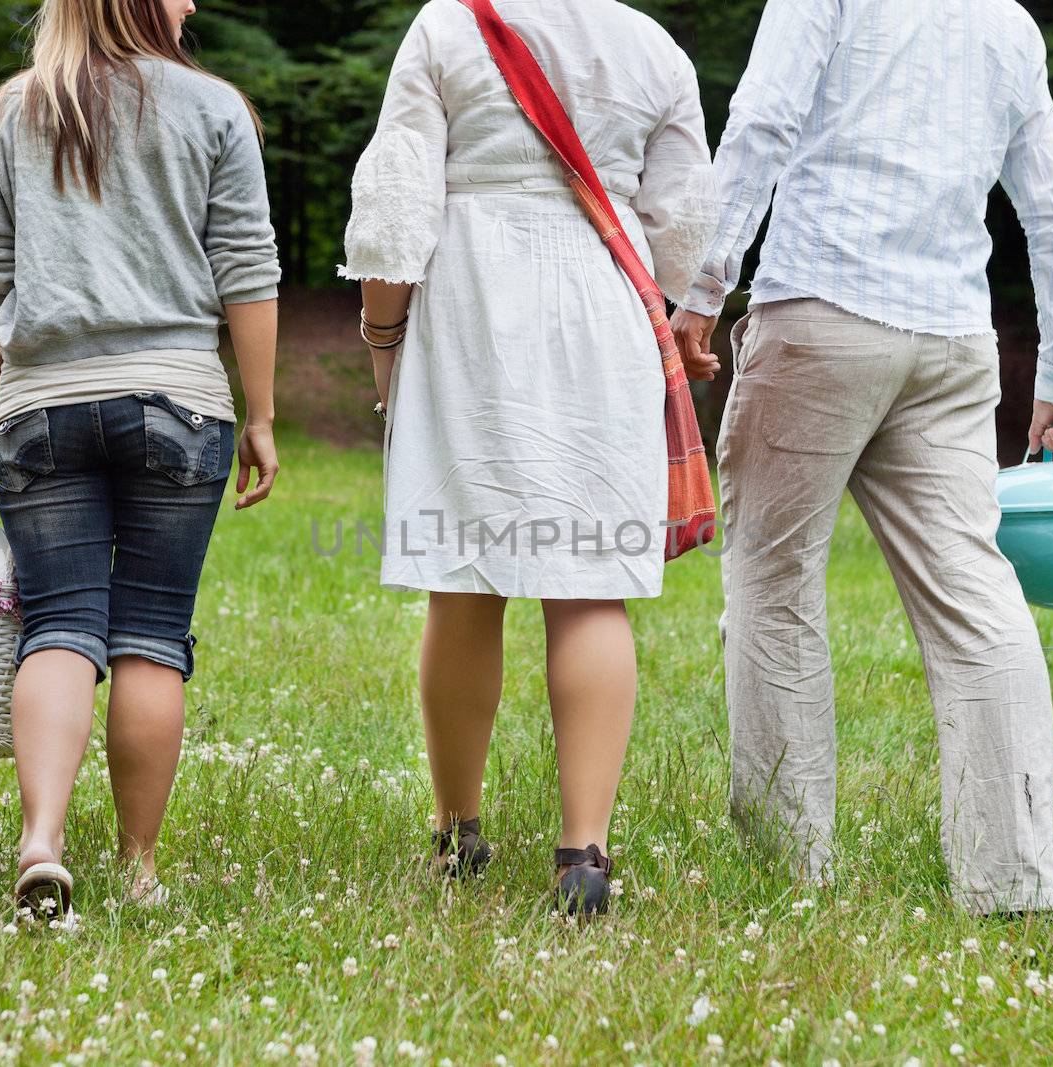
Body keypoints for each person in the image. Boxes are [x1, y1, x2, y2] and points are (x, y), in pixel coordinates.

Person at [670, 0, 1053, 915]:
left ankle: (789, 869)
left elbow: (763, 121)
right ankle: (1015, 883)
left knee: (775, 584)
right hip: (949, 342)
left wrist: (704, 285)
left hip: (822, 308)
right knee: (977, 600)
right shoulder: (1009, 23)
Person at [339, 0, 715, 916]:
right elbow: (685, 223)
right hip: (603, 299)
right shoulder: (650, 44)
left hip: (472, 299)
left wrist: (383, 333)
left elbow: (397, 201)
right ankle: (583, 849)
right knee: (590, 585)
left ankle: (458, 832)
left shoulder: (446, 24)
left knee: (465, 579)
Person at [0, 0, 282, 918]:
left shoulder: (15, 108)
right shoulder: (215, 110)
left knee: (57, 626)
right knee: (150, 636)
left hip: (38, 407)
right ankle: (138, 870)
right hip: (178, 399)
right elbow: (247, 269)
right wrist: (260, 412)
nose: (193, 4)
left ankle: (42, 839)